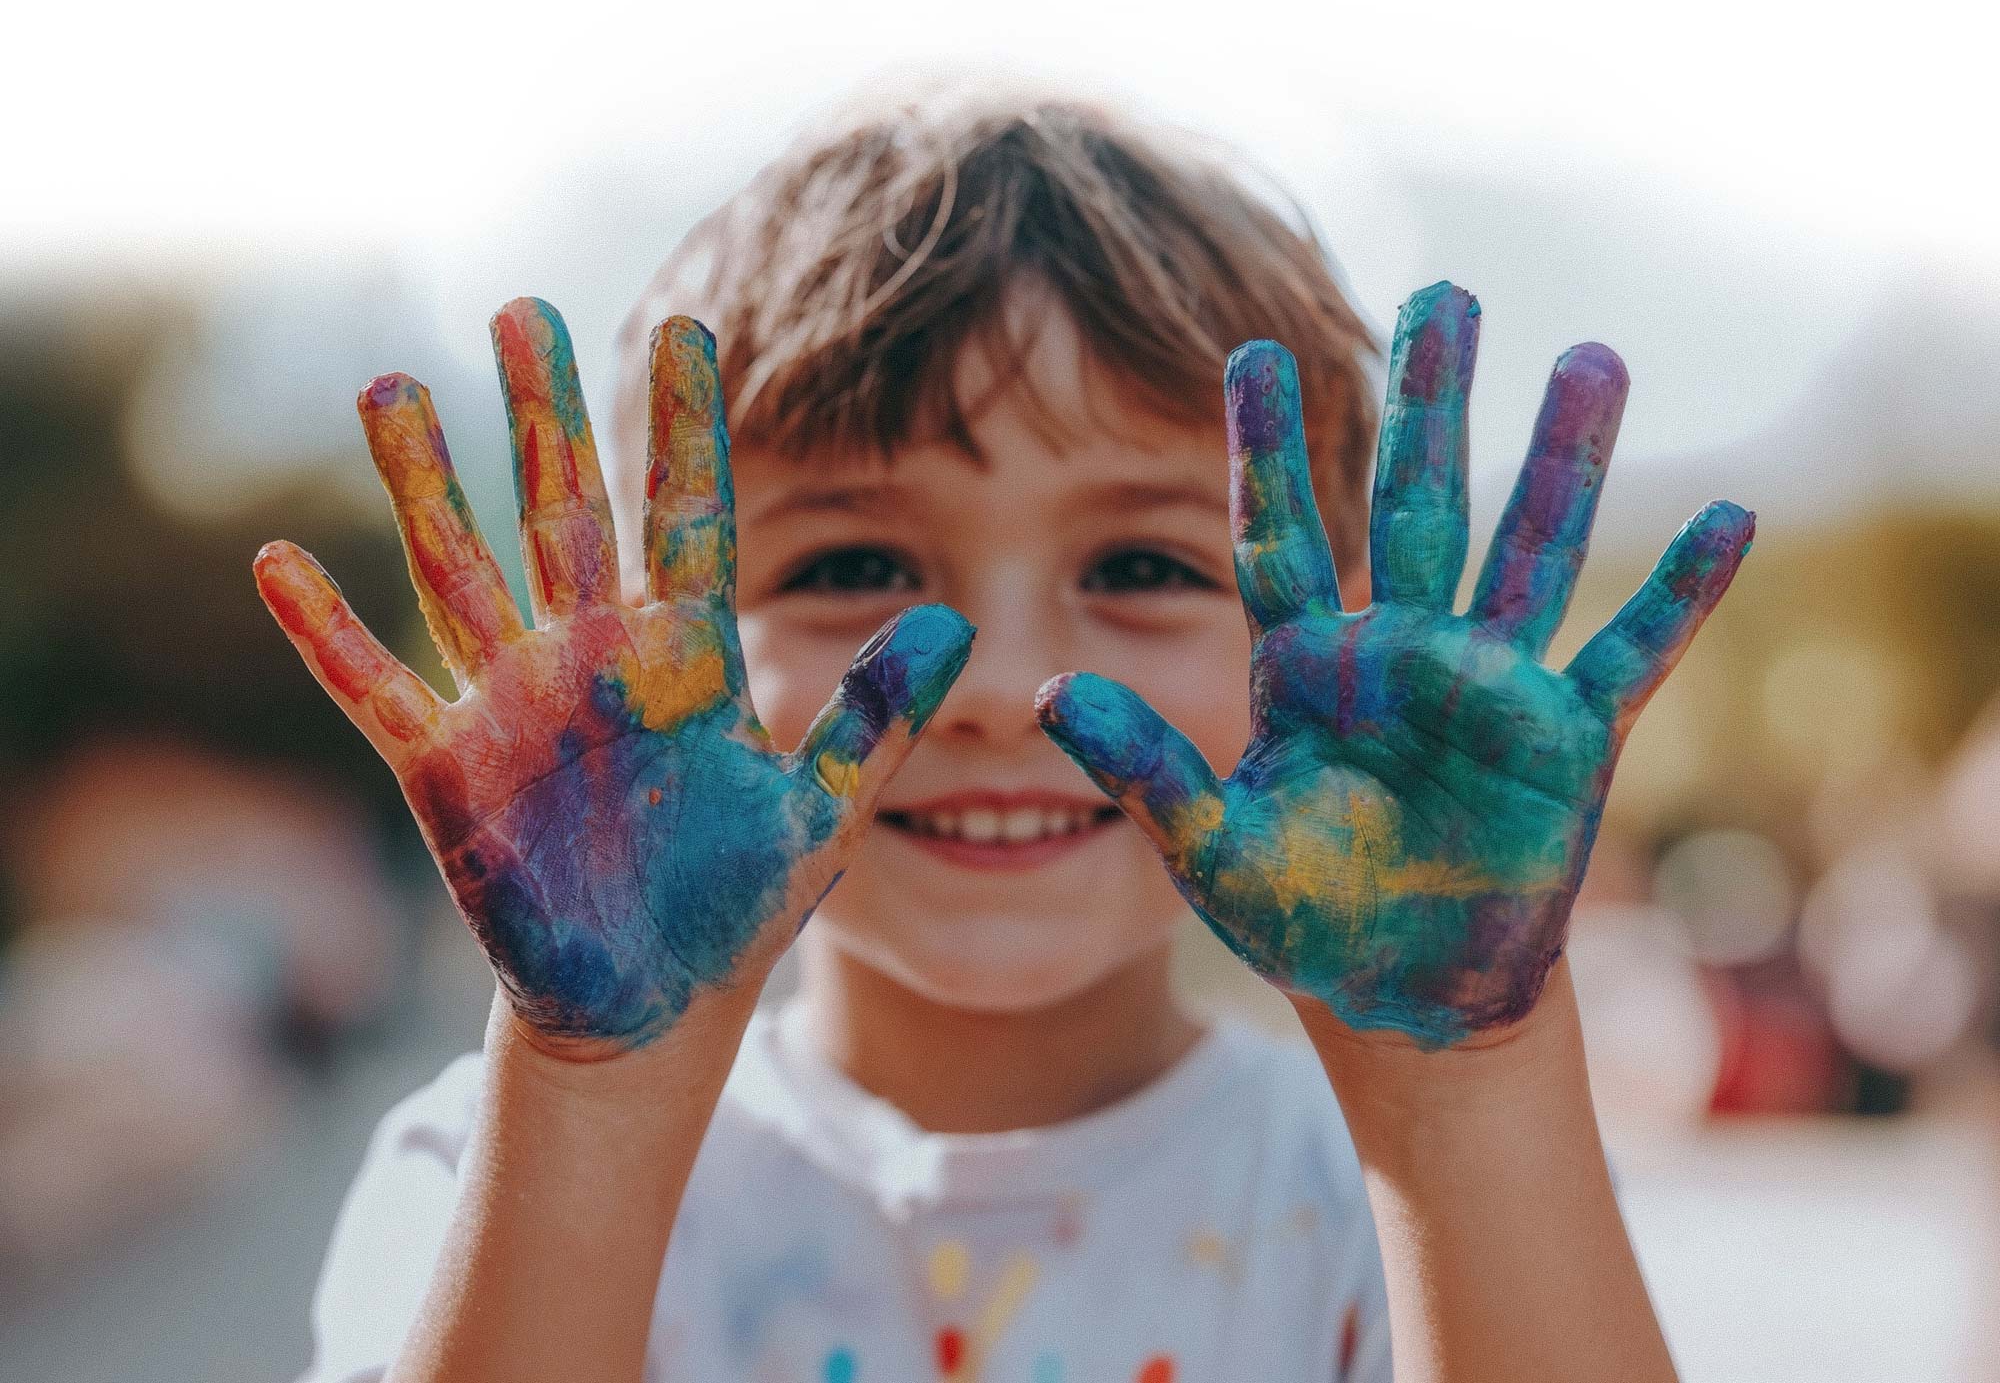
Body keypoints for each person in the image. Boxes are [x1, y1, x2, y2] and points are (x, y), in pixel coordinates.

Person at [261, 84, 1751, 1383]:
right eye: (852, 568)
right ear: (659, 627)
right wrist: (590, 1090)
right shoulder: (480, 1171)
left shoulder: (1401, 1199)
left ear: (1344, 628)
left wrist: (1464, 1084)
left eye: (1144, 567)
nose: (996, 684)